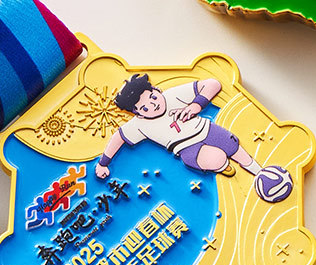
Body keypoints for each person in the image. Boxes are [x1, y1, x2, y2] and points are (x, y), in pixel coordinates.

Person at [94, 73, 291, 202]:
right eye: (144, 108)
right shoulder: (140, 125)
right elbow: (118, 139)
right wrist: (103, 163)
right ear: (137, 113)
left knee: (232, 144)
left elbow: (213, 84)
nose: (153, 105)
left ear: (157, 90)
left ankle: (259, 172)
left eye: (153, 98)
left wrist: (196, 105)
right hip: (188, 149)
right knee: (216, 158)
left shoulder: (172, 96)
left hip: (207, 129)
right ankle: (223, 167)